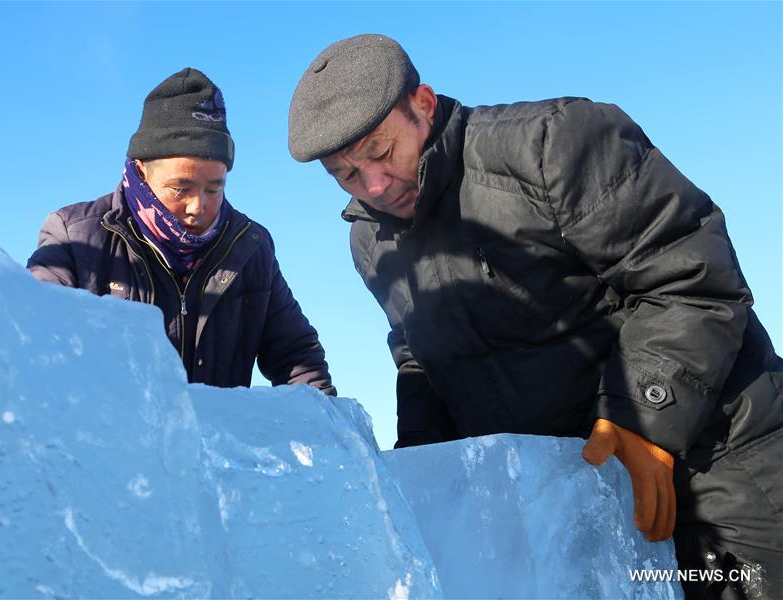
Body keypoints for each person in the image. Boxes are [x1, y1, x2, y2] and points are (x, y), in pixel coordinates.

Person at [288, 34, 781, 598]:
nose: (374, 185)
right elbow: (419, 358)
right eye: (346, 175)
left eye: (381, 152)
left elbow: (689, 274)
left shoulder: (552, 143)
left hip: (718, 461)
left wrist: (645, 420)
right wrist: (422, 473)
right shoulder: (371, 241)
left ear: (423, 104)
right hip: (581, 496)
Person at [29, 67, 334, 395]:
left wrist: (329, 435)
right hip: (102, 443)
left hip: (212, 444)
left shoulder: (250, 246)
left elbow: (296, 358)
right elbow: (33, 349)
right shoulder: (74, 237)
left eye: (214, 189)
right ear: (142, 170)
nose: (197, 207)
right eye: (180, 187)